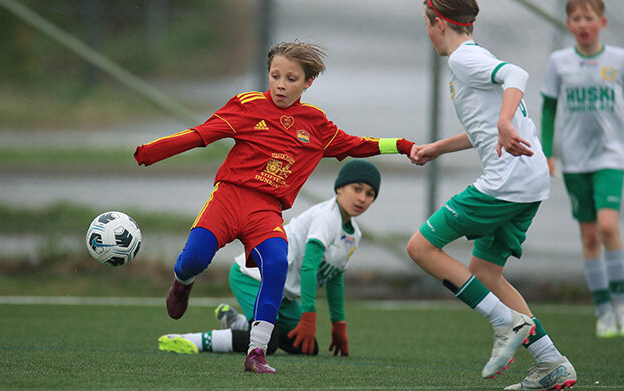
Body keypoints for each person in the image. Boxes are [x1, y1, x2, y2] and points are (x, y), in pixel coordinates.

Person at [134, 41, 416, 373]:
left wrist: (402, 145)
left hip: (265, 210)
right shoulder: (248, 105)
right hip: (229, 198)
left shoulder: (316, 124)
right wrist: (151, 151)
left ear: (307, 83)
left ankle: (256, 353)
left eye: (291, 78)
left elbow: (356, 144)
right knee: (194, 258)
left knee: (277, 263)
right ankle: (182, 283)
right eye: (275, 75)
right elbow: (202, 134)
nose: (281, 84)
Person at [407, 1, 577, 389]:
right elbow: (486, 128)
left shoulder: (463, 58)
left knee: (421, 247)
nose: (427, 31)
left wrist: (503, 120)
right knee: (485, 272)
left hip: (507, 182)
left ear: (438, 24)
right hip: (529, 182)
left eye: (426, 24)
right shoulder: (475, 57)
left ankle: (505, 322)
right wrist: (438, 147)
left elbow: (516, 74)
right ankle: (552, 363)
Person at [157, 160, 380, 358]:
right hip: (252, 277)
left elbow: (334, 279)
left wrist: (338, 324)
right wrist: (309, 315)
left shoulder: (354, 235)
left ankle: (241, 323)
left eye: (370, 194)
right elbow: (310, 266)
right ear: (340, 188)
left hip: (284, 295)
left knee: (306, 348)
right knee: (269, 342)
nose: (361, 198)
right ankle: (193, 340)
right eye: (356, 188)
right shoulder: (326, 217)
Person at [540, 0, 624, 339]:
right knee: (590, 235)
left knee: (609, 226)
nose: (583, 23)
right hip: (576, 161)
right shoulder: (559, 62)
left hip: (611, 156)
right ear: (568, 23)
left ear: (602, 21)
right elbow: (549, 109)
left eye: (589, 17)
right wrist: (548, 151)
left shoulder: (621, 60)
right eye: (576, 18)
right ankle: (603, 312)